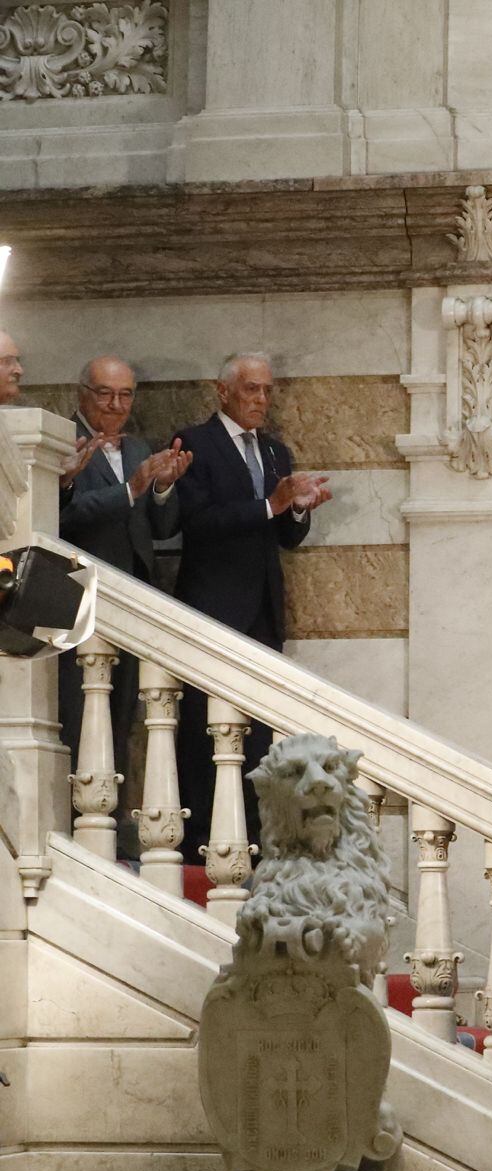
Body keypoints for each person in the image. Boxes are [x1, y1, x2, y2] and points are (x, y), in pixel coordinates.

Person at [172, 352, 332, 858]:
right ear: (223, 392)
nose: (261, 400)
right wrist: (270, 505)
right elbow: (193, 523)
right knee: (204, 725)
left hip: (262, 607)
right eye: (250, 390)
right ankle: (200, 834)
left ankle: (256, 834)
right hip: (211, 605)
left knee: (259, 732)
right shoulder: (195, 444)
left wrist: (299, 510)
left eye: (266, 391)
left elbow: (285, 536)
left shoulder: (276, 451)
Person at [57, 355, 190, 774]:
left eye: (125, 395)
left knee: (122, 715)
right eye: (105, 394)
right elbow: (62, 514)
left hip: (133, 598)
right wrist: (131, 489)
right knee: (77, 713)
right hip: (77, 598)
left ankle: (109, 821)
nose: (116, 404)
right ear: (82, 395)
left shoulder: (136, 446)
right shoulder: (63, 440)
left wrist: (164, 487)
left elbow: (163, 527)